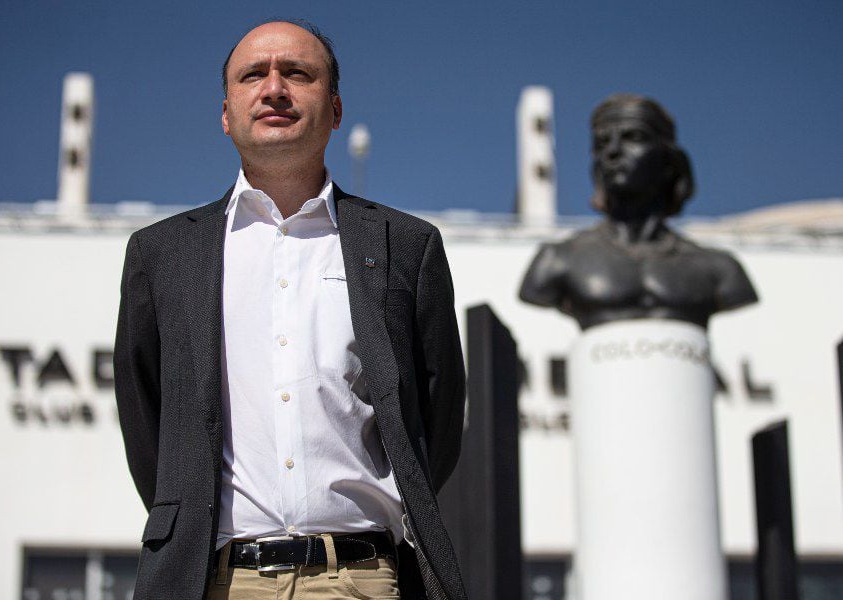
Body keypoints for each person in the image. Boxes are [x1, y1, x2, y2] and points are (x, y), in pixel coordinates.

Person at [114, 20, 467, 600]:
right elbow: (146, 420)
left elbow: (437, 419)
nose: (274, 88)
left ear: (334, 110)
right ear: (226, 113)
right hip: (220, 582)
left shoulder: (405, 245)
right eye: (253, 74)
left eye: (297, 73)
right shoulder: (162, 254)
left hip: (362, 580)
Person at [519, 93, 757, 330]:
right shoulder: (557, 260)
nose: (612, 152)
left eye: (633, 137)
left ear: (668, 160)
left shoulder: (718, 268)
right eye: (601, 143)